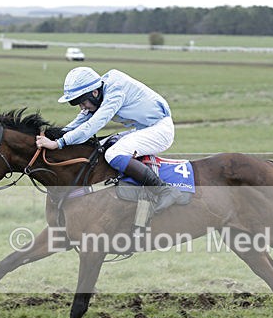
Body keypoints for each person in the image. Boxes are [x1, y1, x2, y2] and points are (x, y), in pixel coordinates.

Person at [35, 66, 184, 213]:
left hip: (160, 130)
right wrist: (54, 136)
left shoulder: (115, 92)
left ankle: (164, 190)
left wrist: (58, 143)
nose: (82, 107)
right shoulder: (99, 93)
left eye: (82, 102)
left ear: (94, 92)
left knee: (113, 154)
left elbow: (92, 126)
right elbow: (80, 122)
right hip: (144, 128)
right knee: (99, 147)